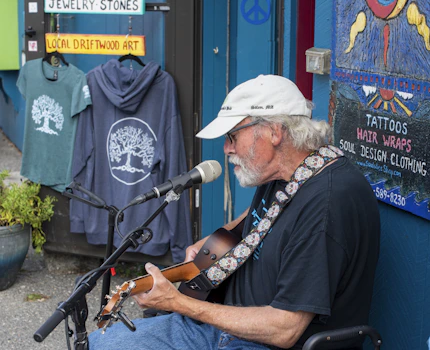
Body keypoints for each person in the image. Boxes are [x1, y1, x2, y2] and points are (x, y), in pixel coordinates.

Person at [89, 75, 380, 349]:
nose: (226, 148)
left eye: (232, 135)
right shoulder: (294, 170)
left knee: (106, 344)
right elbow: (270, 213)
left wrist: (178, 303)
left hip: (255, 340)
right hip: (227, 319)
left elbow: (285, 328)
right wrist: (219, 238)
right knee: (102, 341)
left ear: (274, 132)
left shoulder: (326, 206)